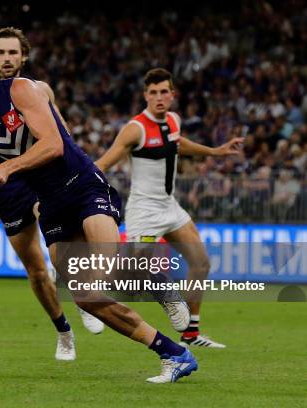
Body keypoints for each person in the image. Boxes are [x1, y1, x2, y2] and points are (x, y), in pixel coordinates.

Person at [0, 41, 198, 383]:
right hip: (53, 204)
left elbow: (53, 144)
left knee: (105, 269)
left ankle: (157, 283)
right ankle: (173, 354)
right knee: (86, 297)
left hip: (83, 185)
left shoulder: (21, 90)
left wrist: (10, 167)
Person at [95, 68, 243, 348]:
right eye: (153, 93)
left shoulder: (174, 120)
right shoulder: (135, 128)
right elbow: (103, 164)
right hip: (144, 211)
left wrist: (215, 151)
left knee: (201, 263)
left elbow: (177, 143)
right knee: (133, 275)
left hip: (170, 208)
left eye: (164, 92)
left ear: (173, 95)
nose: (159, 97)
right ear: (145, 96)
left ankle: (190, 334)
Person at [0, 27, 105, 361]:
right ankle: (63, 332)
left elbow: (62, 134)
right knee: (36, 271)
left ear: (23, 56)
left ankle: (85, 296)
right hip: (8, 186)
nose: (6, 59)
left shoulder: (38, 90)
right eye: (0, 53)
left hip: (42, 175)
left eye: (12, 53)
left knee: (54, 231)